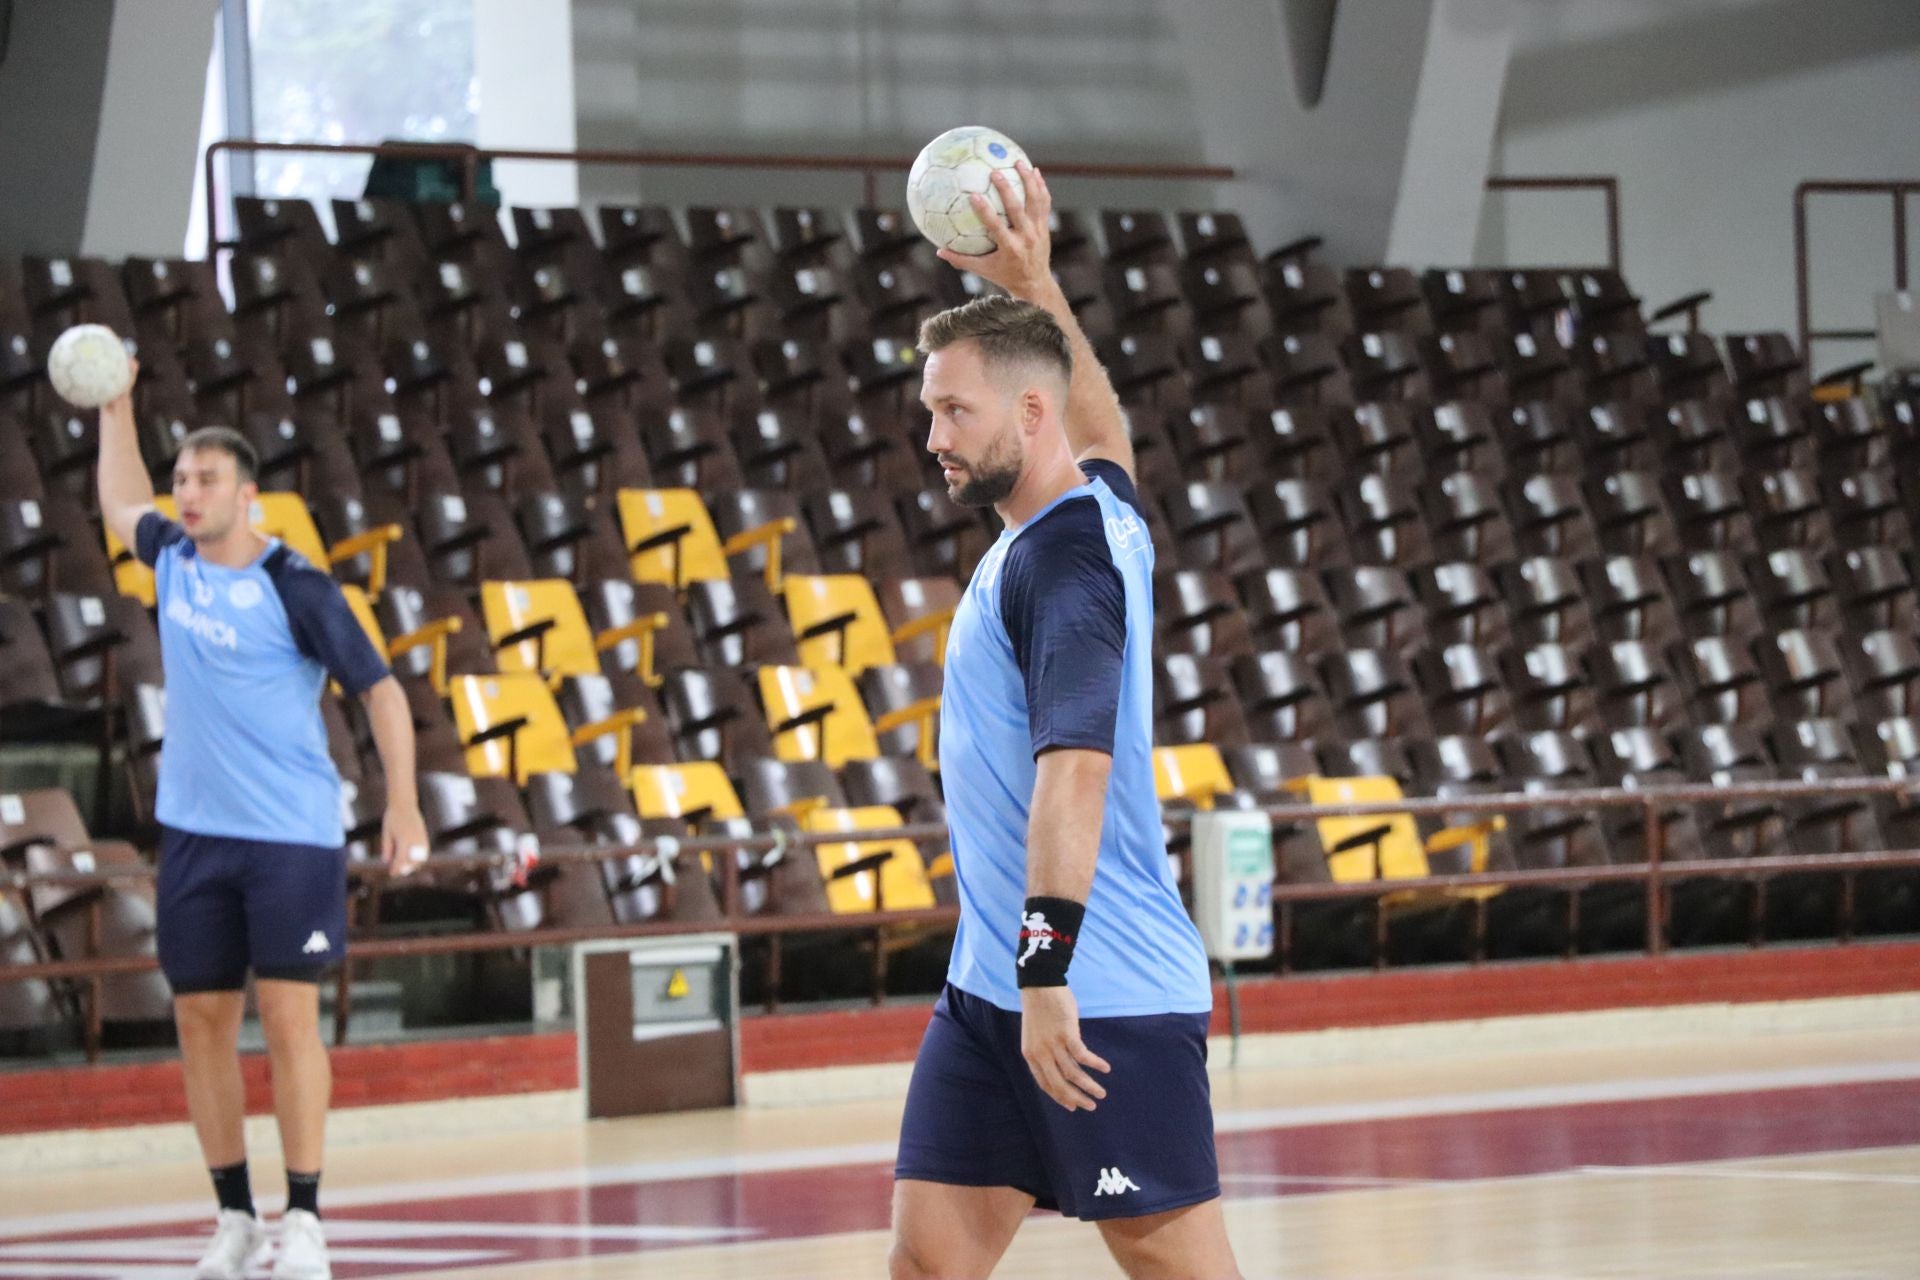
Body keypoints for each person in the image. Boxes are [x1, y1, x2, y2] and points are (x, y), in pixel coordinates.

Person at [889, 162, 1241, 1279]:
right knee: (928, 1265)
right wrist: (1035, 278)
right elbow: (1107, 432)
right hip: (988, 997)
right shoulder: (1095, 510)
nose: (934, 435)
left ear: (1023, 414)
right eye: (930, 409)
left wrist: (1049, 975)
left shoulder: (1069, 571)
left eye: (956, 410)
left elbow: (1075, 777)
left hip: (1098, 999)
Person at [96, 364, 427, 1280]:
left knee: (287, 1018)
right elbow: (120, 500)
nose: (186, 495)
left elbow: (384, 693)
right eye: (182, 480)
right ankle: (235, 1218)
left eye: (205, 481)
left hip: (291, 837)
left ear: (248, 497)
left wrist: (401, 801)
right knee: (201, 1018)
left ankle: (307, 1219)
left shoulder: (298, 586)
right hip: (195, 836)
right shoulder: (170, 559)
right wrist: (118, 407)